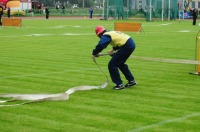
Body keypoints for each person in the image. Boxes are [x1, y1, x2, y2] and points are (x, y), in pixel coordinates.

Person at [92, 26, 137, 90]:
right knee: (120, 64)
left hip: (126, 46)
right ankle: (131, 81)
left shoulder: (106, 35)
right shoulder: (110, 32)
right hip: (130, 43)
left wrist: (94, 52)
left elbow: (101, 45)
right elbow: (120, 40)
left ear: (99, 34)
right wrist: (113, 49)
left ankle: (119, 84)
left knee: (112, 65)